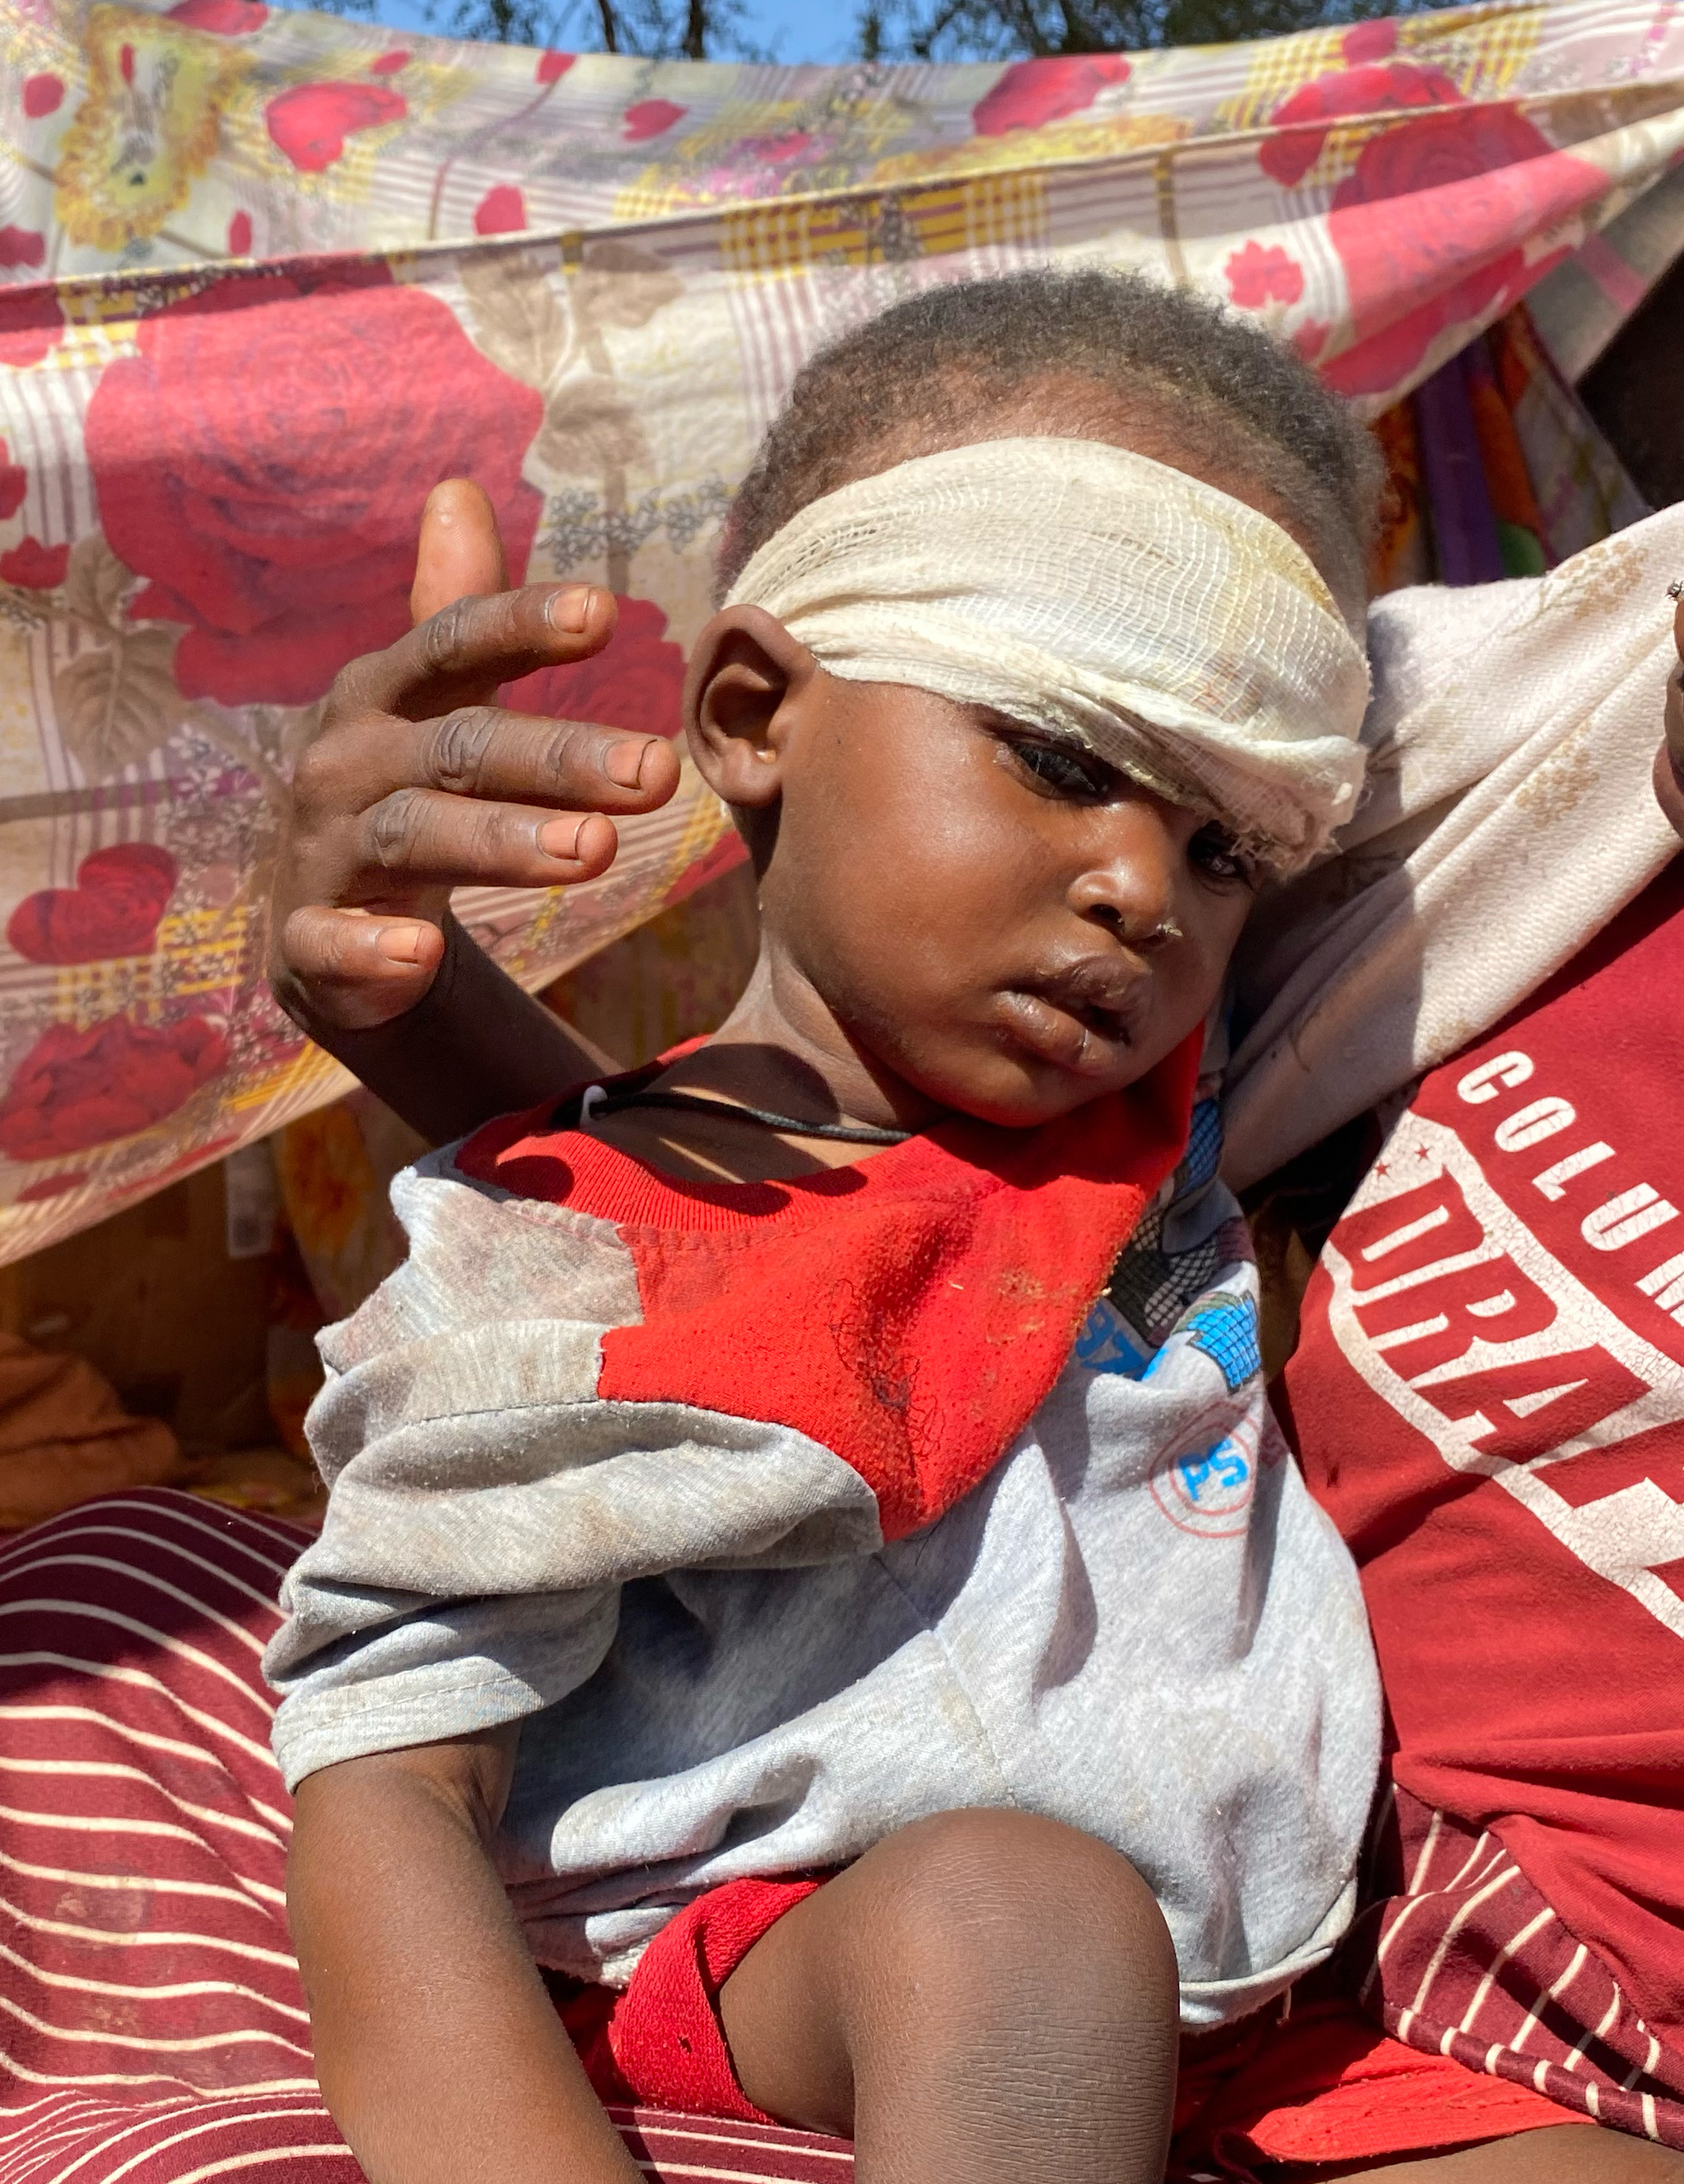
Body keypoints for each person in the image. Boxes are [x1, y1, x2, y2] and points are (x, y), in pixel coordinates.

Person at [0, 2, 1684, 2178]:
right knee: (94, 1622)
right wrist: (425, 1032)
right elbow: (820, 1269)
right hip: (1003, 1952)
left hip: (1452, 2082)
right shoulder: (1491, 803)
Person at [273, 280, 1450, 2184]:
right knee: (1022, 1928)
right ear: (753, 714)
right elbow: (390, 1772)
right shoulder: (584, 1269)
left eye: (1226, 842)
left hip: (1258, 1992)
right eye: (1058, 749)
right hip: (793, 1944)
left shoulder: (1157, 1117)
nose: (1141, 884)